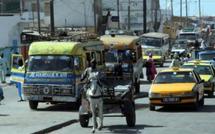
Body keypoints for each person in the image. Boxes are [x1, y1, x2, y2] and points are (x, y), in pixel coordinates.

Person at [81, 59, 103, 133]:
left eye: (94, 63)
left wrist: (100, 79)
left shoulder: (98, 70)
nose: (93, 64)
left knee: (101, 87)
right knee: (84, 90)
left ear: (95, 64)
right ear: (90, 63)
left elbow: (101, 77)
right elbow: (83, 75)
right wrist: (82, 78)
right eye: (92, 63)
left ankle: (102, 95)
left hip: (96, 82)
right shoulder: (88, 70)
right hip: (89, 83)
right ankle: (86, 102)